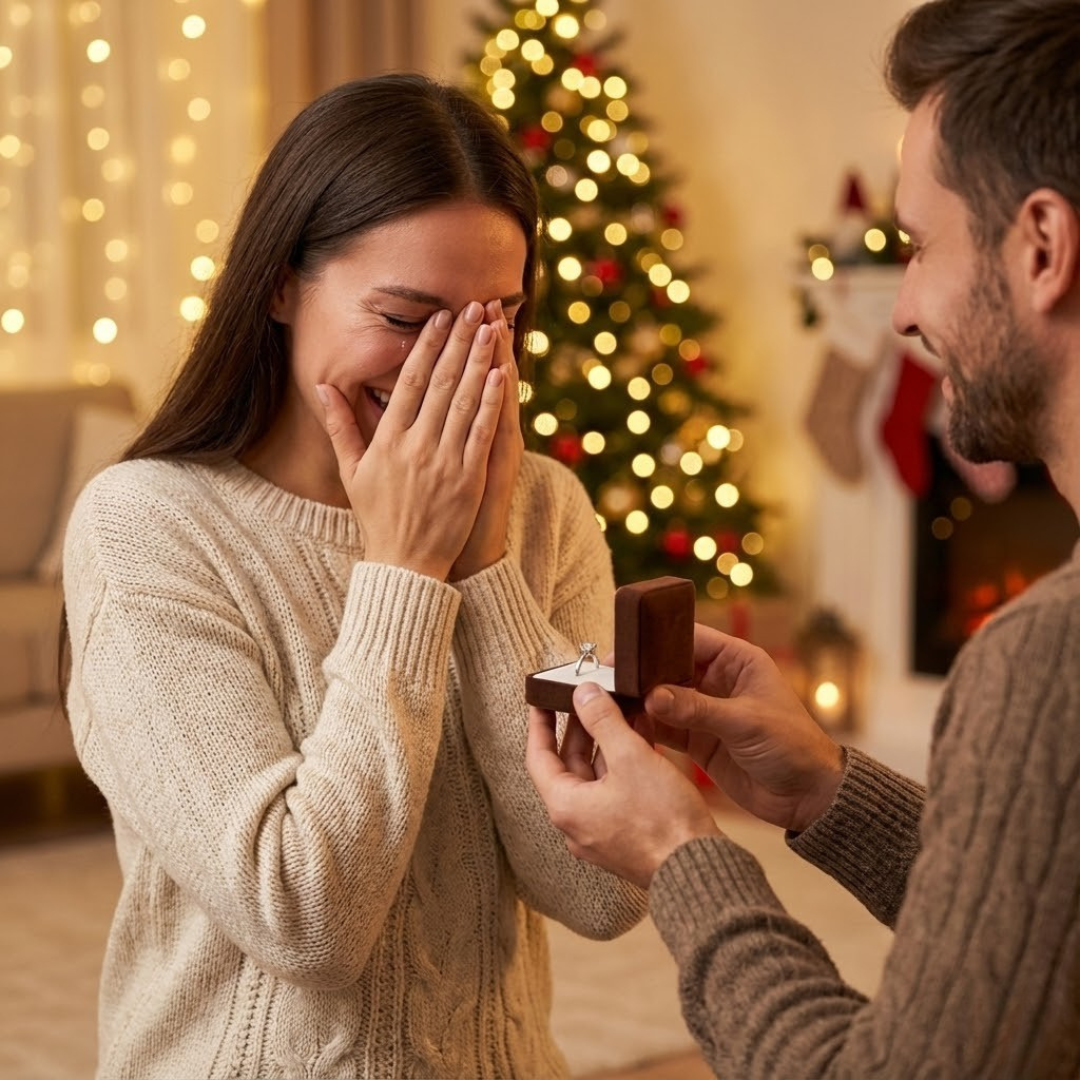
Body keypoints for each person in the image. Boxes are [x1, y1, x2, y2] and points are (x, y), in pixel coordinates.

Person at [526, 1, 1080, 1076]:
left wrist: (682, 855)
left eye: (918, 247)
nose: (906, 309)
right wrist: (831, 791)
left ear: (1044, 247)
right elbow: (1037, 937)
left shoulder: (1046, 658)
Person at [61, 73, 647, 1079]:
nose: (456, 369)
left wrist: (488, 571)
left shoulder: (546, 512)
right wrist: (407, 570)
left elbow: (601, 893)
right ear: (281, 285)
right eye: (409, 318)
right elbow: (306, 920)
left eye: (494, 320)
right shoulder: (148, 528)